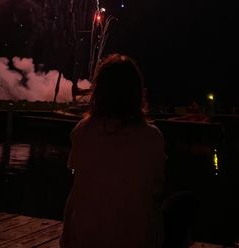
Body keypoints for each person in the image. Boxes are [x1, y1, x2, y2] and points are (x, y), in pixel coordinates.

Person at [60, 54, 165, 248]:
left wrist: (66, 237)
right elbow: (156, 189)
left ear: (99, 91)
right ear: (137, 93)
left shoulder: (81, 132)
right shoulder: (152, 137)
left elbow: (77, 190)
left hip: (85, 240)